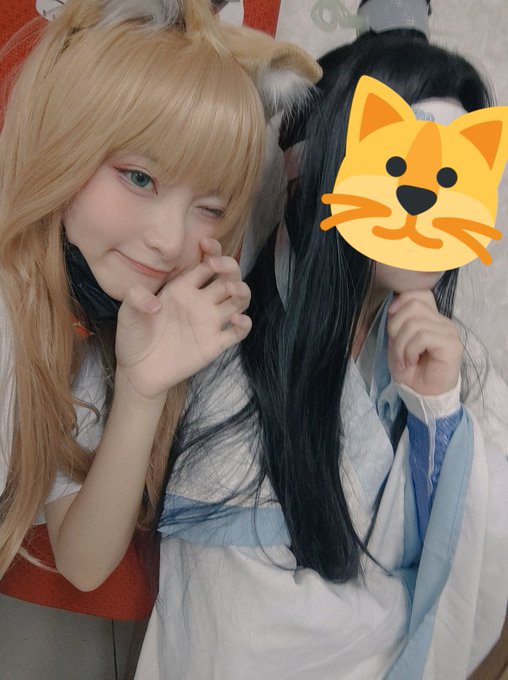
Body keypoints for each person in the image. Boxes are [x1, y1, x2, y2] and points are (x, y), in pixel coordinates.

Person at [135, 1, 508, 678]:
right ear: (322, 175)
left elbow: (484, 562)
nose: (426, 198)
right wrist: (409, 606)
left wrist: (438, 418)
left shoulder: (459, 360)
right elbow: (241, 640)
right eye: (398, 166)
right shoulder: (232, 367)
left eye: (455, 176)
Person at [0, 0, 321, 672]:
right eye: (139, 177)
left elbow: (84, 561)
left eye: (209, 207)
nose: (170, 240)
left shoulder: (81, 331)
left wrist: (142, 388)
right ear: (63, 136)